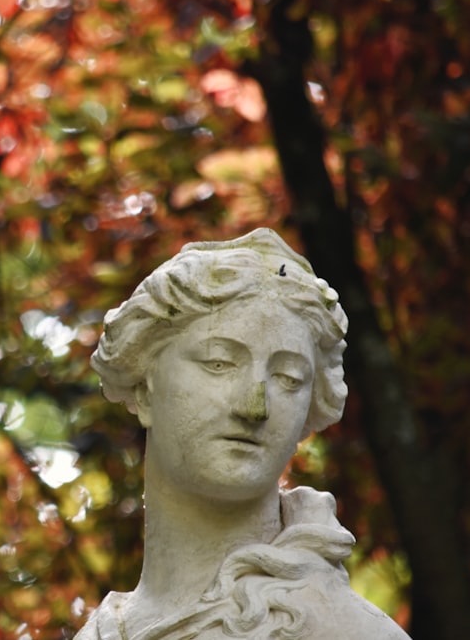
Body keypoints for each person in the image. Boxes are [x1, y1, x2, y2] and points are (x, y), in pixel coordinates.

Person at [77, 229, 410, 639]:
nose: (254, 407)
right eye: (219, 363)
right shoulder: (105, 631)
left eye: (288, 378)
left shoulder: (351, 632)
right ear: (146, 389)